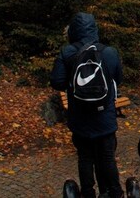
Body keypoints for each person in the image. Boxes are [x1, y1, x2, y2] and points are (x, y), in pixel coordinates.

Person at [50, 12, 124, 198]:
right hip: (104, 116)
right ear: (94, 29)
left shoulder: (67, 52)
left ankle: (88, 193)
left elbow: (57, 82)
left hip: (80, 116)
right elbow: (118, 78)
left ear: (73, 31)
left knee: (85, 157)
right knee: (107, 156)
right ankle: (114, 193)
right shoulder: (108, 52)